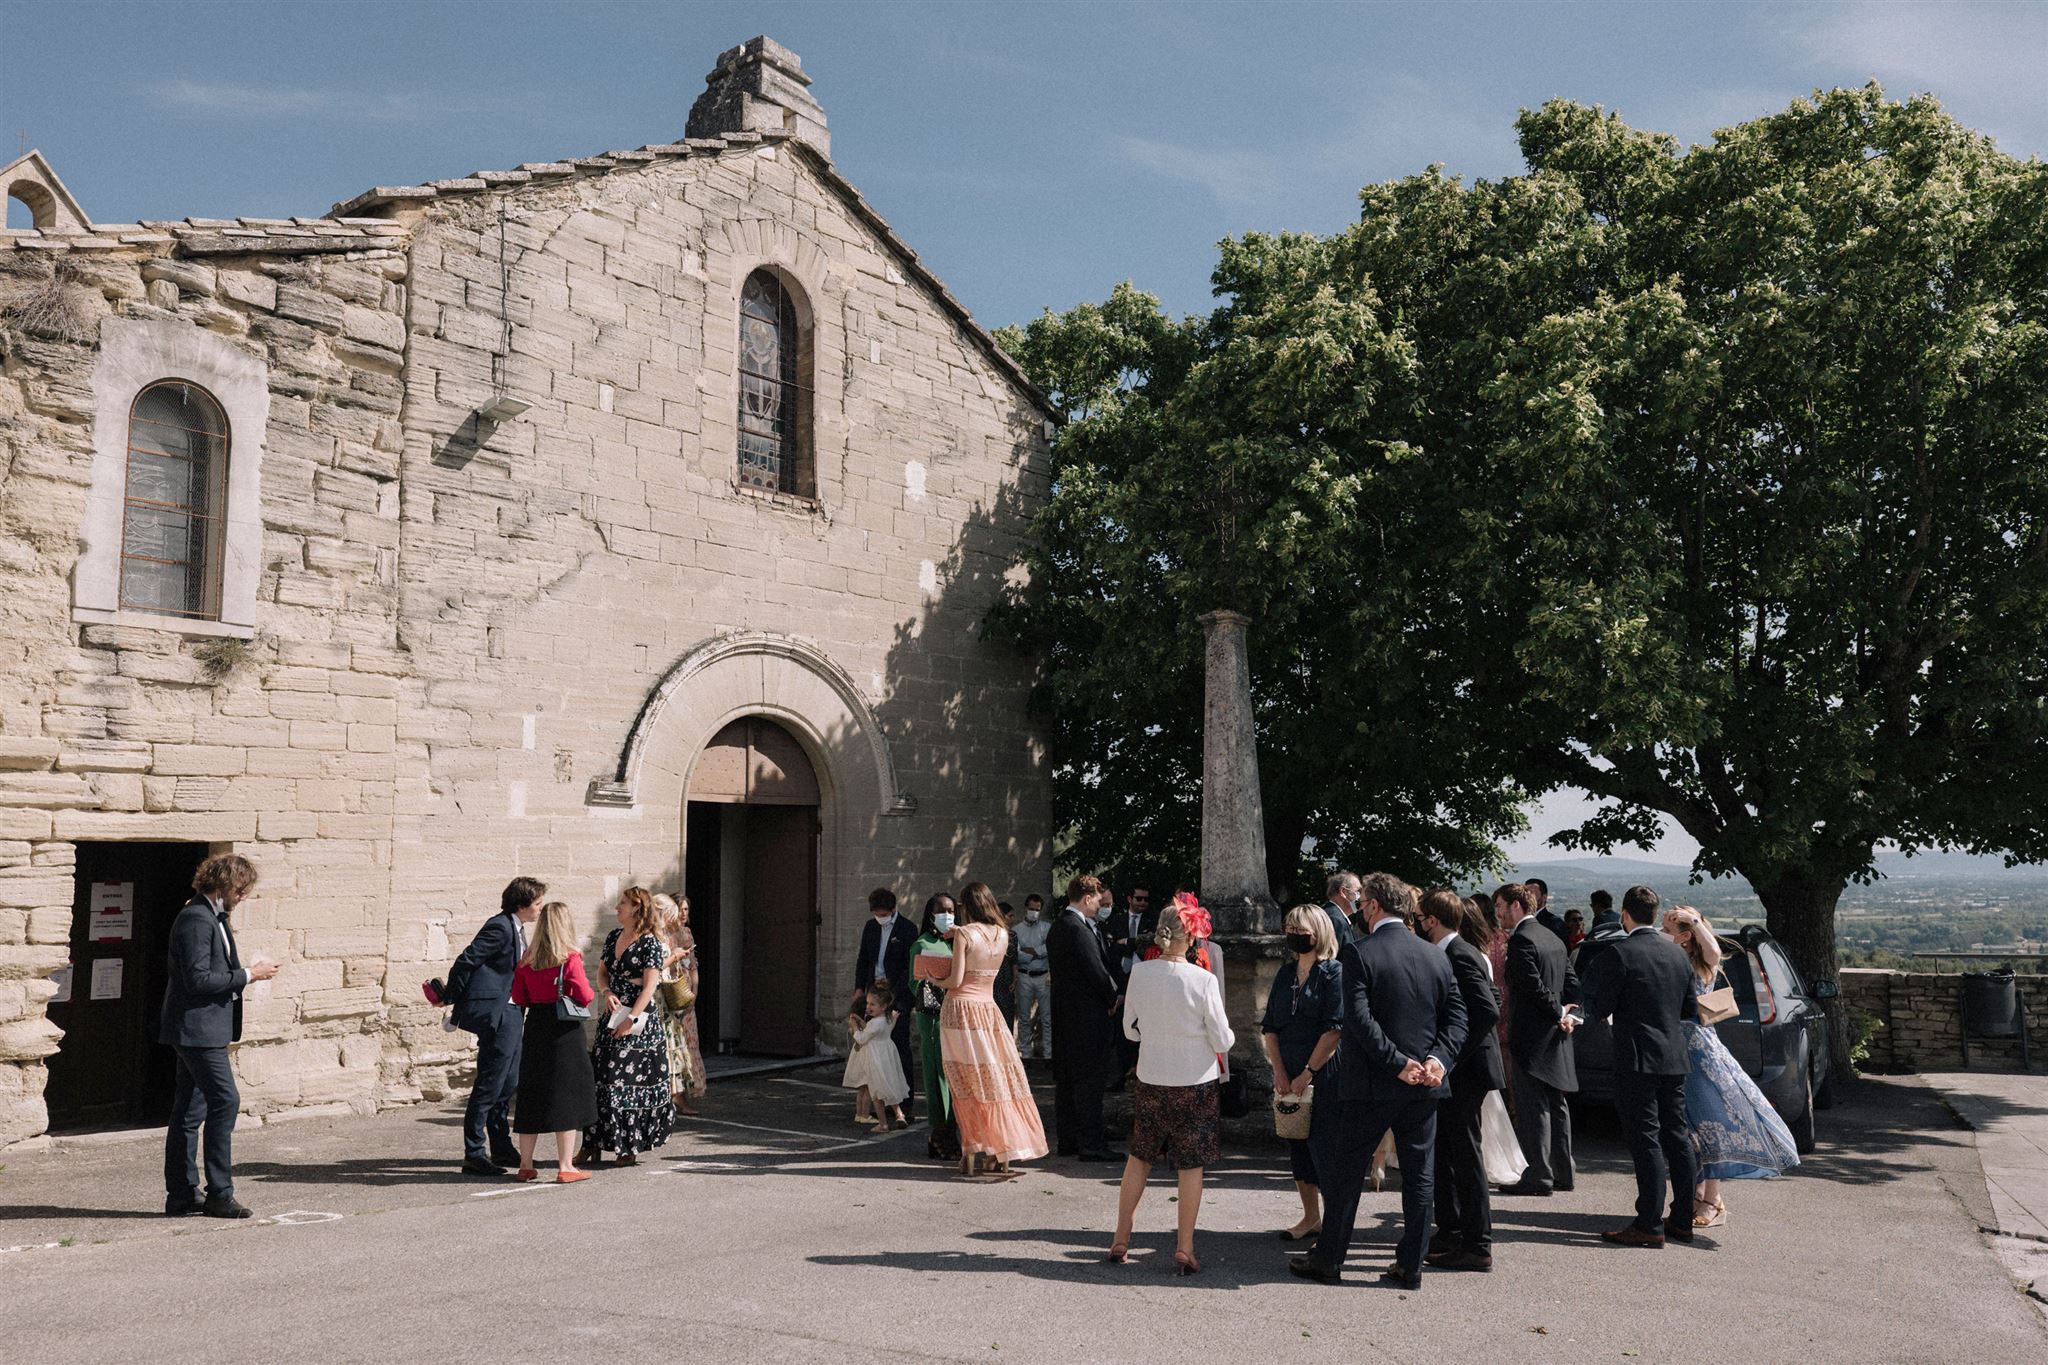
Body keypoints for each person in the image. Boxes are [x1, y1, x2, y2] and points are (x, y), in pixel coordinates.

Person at [1292, 872, 1466, 1290]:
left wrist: (1397, 1063)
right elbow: (1458, 1017)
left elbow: (1359, 1021)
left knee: (1347, 1171)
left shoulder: (1360, 953)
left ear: (1372, 907)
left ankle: (1330, 1259)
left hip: (1373, 1083)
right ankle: (1411, 1266)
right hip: (1424, 1084)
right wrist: (1437, 1060)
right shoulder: (1435, 955)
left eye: (1363, 905)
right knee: (1419, 1176)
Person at [1108, 900, 1236, 1275]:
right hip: (1194, 1080)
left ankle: (1121, 1236)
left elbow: (1130, 1028)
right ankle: (1184, 1246)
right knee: (1190, 1164)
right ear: (1193, 935)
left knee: (1140, 1154)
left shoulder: (1141, 973)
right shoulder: (1203, 979)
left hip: (1151, 1074)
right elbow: (1223, 1038)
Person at [160, 854, 279, 1218]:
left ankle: (182, 1194)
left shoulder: (210, 916)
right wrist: (249, 974)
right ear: (224, 884)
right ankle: (219, 1193)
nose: (243, 897)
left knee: (189, 1110)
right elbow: (197, 980)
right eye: (240, 890)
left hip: (203, 1029)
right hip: (197, 1031)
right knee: (225, 1101)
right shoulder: (197, 919)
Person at [1664, 906, 1798, 1226]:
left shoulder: (1704, 962)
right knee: (1689, 1130)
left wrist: (1695, 921)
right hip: (1675, 1052)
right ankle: (1697, 1196)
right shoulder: (1670, 955)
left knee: (1713, 1126)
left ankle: (1712, 1199)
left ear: (1686, 935)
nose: (1664, 930)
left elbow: (1712, 949)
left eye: (1669, 927)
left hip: (1702, 1055)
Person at [1584, 885, 1698, 1247]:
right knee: (1677, 1138)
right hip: (1674, 1056)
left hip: (1636, 1057)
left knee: (1646, 1140)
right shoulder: (1678, 955)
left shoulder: (1620, 953)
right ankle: (1682, 1218)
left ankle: (1649, 1222)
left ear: (1625, 915)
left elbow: (1601, 1009)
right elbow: (1689, 1011)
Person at [1416, 890, 1502, 1272]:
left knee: (1466, 1156)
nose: (1416, 923)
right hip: (1461, 1068)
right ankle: (1450, 1228)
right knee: (1450, 1151)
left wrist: (1448, 1058)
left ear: (1432, 920)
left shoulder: (1460, 954)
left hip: (1468, 1069)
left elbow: (1486, 1010)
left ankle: (1477, 1243)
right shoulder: (1453, 952)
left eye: (1419, 917)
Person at [938, 883, 1048, 1176]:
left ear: (966, 906)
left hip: (960, 1010)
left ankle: (971, 1147)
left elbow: (955, 980)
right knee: (995, 1077)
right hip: (989, 1010)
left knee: (964, 1079)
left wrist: (934, 977)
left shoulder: (964, 933)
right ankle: (999, 1150)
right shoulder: (1003, 934)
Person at [446, 875, 545, 1176]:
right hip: (500, 1014)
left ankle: (501, 1147)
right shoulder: (500, 926)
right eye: (538, 903)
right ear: (522, 904)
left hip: (515, 1012)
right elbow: (467, 961)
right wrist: (450, 997)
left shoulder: (518, 928)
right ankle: (474, 1153)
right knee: (489, 1085)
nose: (541, 908)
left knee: (508, 1084)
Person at [1261, 904, 1343, 1243]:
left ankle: (1336, 1223)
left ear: (1318, 933)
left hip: (1323, 1074)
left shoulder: (1334, 973)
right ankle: (1311, 1217)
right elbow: (1270, 1028)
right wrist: (1280, 1071)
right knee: (1297, 1147)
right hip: (1288, 1073)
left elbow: (1334, 1030)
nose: (1294, 936)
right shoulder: (1284, 973)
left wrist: (1307, 1072)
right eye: (1290, 929)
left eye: (1301, 930)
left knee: (1325, 1149)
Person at [1498, 881, 1579, 1196]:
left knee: (1534, 1106)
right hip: (1557, 1035)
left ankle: (1539, 1175)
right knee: (1557, 1104)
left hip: (1532, 1035)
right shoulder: (1554, 938)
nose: (1498, 914)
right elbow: (1572, 983)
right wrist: (1571, 1014)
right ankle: (1564, 1171)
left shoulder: (1521, 940)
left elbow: (1530, 985)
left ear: (1516, 906)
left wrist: (1559, 1010)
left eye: (1500, 907)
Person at [508, 900, 598, 1184]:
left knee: (532, 1092)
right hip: (564, 1029)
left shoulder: (527, 959)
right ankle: (565, 1165)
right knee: (567, 1093)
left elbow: (519, 997)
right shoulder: (569, 958)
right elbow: (584, 995)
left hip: (535, 1025)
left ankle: (525, 1164)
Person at [584, 887, 671, 1166]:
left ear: (636, 908)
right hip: (612, 1016)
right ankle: (592, 1143)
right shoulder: (612, 937)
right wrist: (606, 990)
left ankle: (627, 1146)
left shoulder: (651, 944)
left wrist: (630, 1018)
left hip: (638, 1020)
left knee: (628, 1084)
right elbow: (601, 972)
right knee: (601, 1080)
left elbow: (649, 988)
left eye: (622, 903)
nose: (617, 907)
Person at [1048, 874, 1121, 1161]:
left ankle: (1069, 1139)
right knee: (1089, 1082)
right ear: (1087, 897)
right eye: (1097, 900)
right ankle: (1091, 1142)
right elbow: (1096, 971)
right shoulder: (1077, 929)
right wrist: (1112, 998)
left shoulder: (1059, 926)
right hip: (1086, 1018)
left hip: (1067, 1016)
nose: (1100, 905)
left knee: (1067, 1081)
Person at [854, 887, 919, 1124]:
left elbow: (908, 968)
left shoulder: (907, 929)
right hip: (874, 994)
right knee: (875, 1051)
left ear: (893, 910)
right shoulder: (870, 928)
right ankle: (878, 1101)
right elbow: (864, 958)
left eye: (884, 913)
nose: (879, 917)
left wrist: (894, 992)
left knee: (899, 1048)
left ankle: (906, 1103)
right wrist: (859, 988)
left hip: (896, 996)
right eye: (876, 913)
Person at [912, 894, 959, 1159]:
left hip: (956, 1016)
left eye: (951, 910)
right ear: (931, 914)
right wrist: (931, 982)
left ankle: (949, 1128)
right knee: (936, 1076)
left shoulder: (957, 942)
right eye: (942, 911)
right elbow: (913, 981)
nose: (947, 915)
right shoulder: (922, 944)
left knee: (953, 1076)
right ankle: (941, 1131)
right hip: (932, 1017)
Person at [652, 892, 708, 1116]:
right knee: (670, 1046)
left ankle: (681, 1095)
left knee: (686, 1045)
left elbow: (692, 965)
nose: (684, 914)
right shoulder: (659, 935)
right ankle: (670, 1097)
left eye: (686, 910)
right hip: (664, 992)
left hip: (680, 991)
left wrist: (693, 992)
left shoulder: (686, 933)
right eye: (680, 909)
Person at [844, 980, 910, 1130]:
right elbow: (878, 1032)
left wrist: (855, 1028)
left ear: (883, 1006)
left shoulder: (874, 1024)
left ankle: (883, 1124)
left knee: (876, 1092)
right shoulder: (885, 1020)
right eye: (868, 1003)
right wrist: (862, 1023)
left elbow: (861, 1038)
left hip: (875, 1059)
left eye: (872, 1004)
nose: (868, 1007)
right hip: (886, 1056)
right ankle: (899, 1115)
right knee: (888, 1085)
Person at [1013, 893, 1052, 1060]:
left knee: (1047, 1018)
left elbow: (1049, 948)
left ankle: (1049, 1054)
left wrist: (1033, 951)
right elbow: (1017, 954)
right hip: (1024, 976)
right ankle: (1026, 1054)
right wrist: (1037, 953)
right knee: (1024, 1017)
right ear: (1025, 908)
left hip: (1043, 976)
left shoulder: (1046, 928)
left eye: (1037, 909)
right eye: (1031, 909)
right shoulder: (1016, 930)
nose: (1034, 912)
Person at [1322, 871, 1360, 952]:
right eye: (1357, 891)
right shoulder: (1335, 919)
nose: (1360, 896)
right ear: (1343, 892)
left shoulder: (1331, 914)